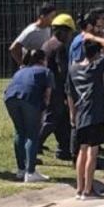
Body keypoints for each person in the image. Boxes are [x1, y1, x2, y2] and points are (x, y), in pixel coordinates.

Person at [67, 36, 104, 200]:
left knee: (82, 150)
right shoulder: (95, 67)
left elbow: (70, 94)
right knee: (92, 152)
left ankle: (79, 188)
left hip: (80, 113)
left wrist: (72, 113)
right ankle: (88, 189)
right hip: (95, 114)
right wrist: (93, 36)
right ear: (97, 54)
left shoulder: (73, 69)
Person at [4, 49, 53, 182]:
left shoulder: (21, 70)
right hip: (29, 98)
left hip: (10, 98)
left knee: (20, 131)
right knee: (32, 133)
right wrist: (43, 112)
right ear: (43, 60)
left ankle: (21, 170)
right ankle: (30, 172)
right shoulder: (46, 72)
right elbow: (47, 96)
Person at [39, 13, 76, 161]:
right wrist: (68, 91)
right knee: (52, 119)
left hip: (47, 85)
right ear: (62, 31)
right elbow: (63, 71)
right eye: (69, 32)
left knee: (62, 120)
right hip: (56, 89)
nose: (70, 36)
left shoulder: (47, 44)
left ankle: (64, 148)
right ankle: (35, 144)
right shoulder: (59, 47)